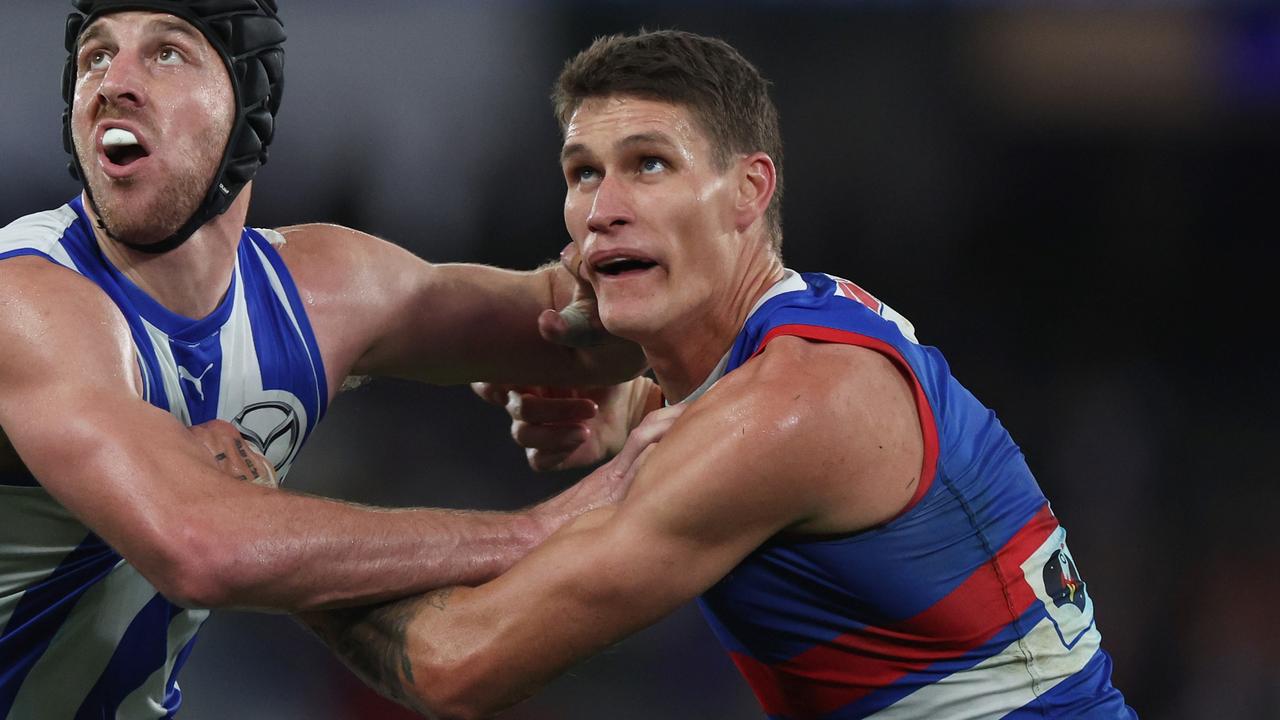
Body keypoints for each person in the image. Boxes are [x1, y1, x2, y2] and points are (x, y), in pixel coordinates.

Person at [307, 29, 1139, 719]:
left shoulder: (792, 406)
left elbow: (456, 665)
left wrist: (272, 546)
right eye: (583, 173)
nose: (603, 209)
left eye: (650, 164)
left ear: (749, 192)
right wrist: (625, 407)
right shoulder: (787, 344)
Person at [0, 2, 659, 717]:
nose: (112, 82)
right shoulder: (29, 298)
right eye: (95, 56)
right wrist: (540, 530)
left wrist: (620, 371)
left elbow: (579, 329)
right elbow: (200, 545)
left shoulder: (321, 290)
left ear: (251, 101)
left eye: (166, 53)